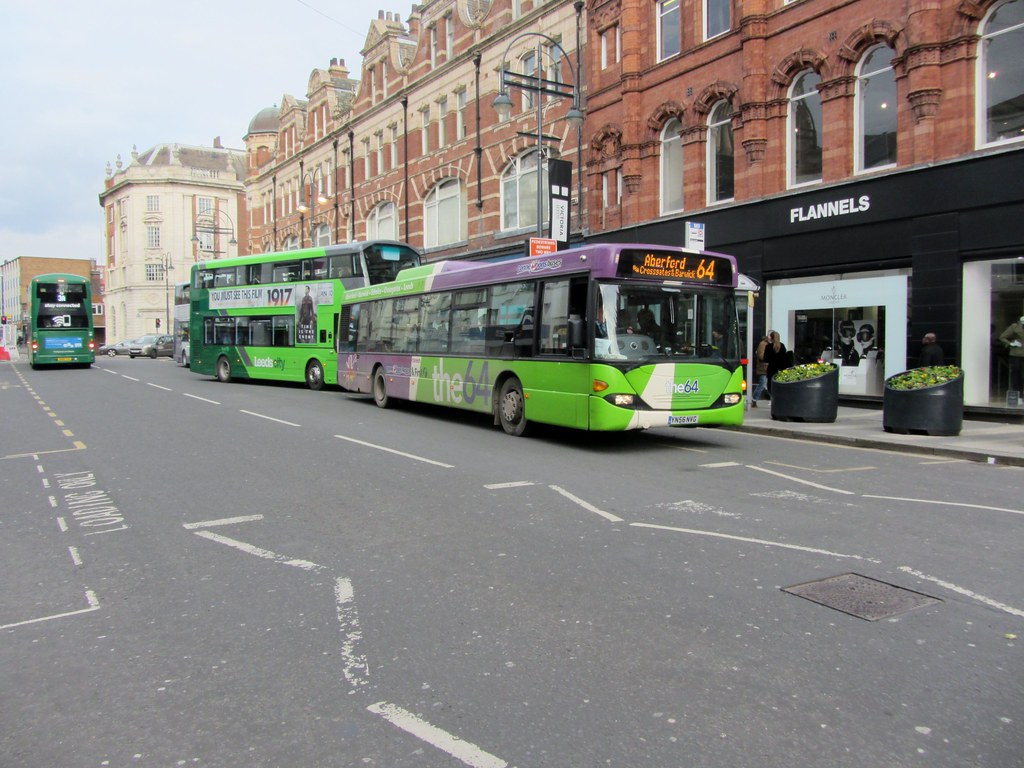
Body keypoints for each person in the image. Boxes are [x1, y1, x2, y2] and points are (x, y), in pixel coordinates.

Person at [999, 316, 1024, 393]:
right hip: (1017, 353)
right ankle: (1017, 393)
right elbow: (1002, 337)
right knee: (1016, 374)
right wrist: (1011, 343)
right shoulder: (1015, 326)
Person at [751, 333, 770, 406]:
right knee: (762, 384)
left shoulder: (769, 344)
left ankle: (754, 399)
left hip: (769, 367)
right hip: (764, 368)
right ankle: (754, 399)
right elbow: (761, 356)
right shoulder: (763, 344)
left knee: (767, 384)